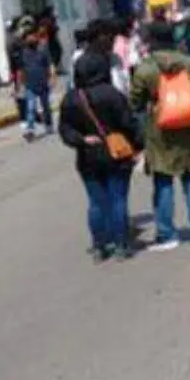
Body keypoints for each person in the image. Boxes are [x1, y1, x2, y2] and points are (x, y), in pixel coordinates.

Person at [131, 21, 190, 250]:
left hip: (160, 129)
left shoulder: (145, 68)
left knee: (163, 180)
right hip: (189, 125)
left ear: (150, 41)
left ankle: (167, 233)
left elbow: (136, 101)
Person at [58, 48, 144, 262]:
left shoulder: (71, 99)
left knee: (97, 202)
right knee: (118, 200)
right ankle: (121, 244)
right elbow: (129, 123)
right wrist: (139, 145)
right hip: (116, 155)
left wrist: (81, 140)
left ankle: (99, 245)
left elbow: (65, 129)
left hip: (88, 157)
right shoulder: (112, 94)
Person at [20, 29, 55, 139]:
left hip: (43, 83)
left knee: (46, 106)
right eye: (28, 37)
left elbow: (50, 65)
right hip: (30, 84)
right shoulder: (23, 53)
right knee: (31, 107)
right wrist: (21, 84)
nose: (31, 39)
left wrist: (52, 77)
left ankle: (49, 125)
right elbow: (21, 70)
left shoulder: (42, 50)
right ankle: (30, 129)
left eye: (32, 36)